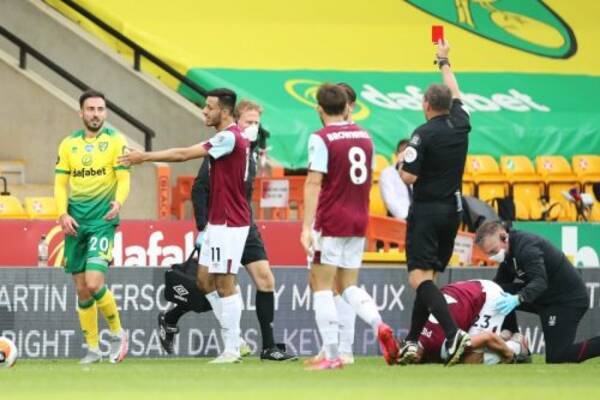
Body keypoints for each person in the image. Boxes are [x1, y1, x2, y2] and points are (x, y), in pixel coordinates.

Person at [158, 100, 296, 361]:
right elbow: (200, 188)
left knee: (265, 280)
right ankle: (194, 325)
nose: (254, 127)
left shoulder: (249, 150)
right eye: (249, 122)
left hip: (244, 224)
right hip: (221, 224)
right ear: (235, 119)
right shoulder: (223, 145)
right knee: (210, 283)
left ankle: (267, 347)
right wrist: (204, 227)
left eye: (257, 123)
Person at [120, 88, 250, 364]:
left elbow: (182, 155)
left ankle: (232, 348)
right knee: (203, 281)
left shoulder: (229, 137)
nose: (204, 111)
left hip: (229, 222)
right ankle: (234, 341)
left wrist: (144, 157)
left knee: (225, 283)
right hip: (218, 221)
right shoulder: (228, 136)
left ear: (224, 111)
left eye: (209, 107)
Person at [301, 83, 398, 370]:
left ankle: (332, 356)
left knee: (321, 285)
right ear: (347, 107)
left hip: (331, 220)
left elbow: (314, 181)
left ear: (319, 108)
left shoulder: (322, 138)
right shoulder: (365, 137)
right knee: (347, 286)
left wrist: (306, 227)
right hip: (359, 219)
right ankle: (379, 324)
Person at [398, 39, 472, 366]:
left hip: (427, 212)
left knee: (418, 277)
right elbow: (456, 92)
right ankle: (413, 342)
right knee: (429, 277)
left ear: (427, 104)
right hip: (452, 212)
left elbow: (408, 178)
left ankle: (454, 332)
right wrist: (444, 61)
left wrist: (402, 161)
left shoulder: (422, 134)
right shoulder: (461, 123)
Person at [54, 89, 129, 364]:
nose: (96, 114)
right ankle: (94, 348)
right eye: (91, 109)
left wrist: (119, 203)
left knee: (94, 282)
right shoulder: (68, 144)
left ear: (105, 113)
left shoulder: (115, 142)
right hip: (75, 222)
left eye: (100, 109)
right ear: (81, 112)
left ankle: (119, 333)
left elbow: (123, 178)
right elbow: (61, 183)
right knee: (82, 289)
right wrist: (62, 213)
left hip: (102, 222)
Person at [475, 220, 600, 363]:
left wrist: (518, 298)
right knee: (497, 292)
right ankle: (514, 339)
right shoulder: (507, 252)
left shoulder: (527, 247)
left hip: (566, 301)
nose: (492, 256)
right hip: (544, 296)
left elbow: (540, 282)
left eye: (493, 251)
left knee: (558, 358)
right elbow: (498, 285)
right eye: (488, 254)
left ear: (504, 237)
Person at [414, 279, 528, 364]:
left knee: (470, 359)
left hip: (488, 296)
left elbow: (487, 337)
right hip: (468, 290)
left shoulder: (442, 345)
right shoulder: (416, 333)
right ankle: (502, 338)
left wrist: (509, 355)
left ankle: (516, 345)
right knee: (458, 354)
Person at [379, 139, 412, 220]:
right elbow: (390, 201)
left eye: (409, 153)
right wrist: (407, 218)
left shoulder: (418, 172)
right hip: (398, 220)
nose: (405, 155)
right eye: (402, 152)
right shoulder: (387, 174)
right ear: (396, 154)